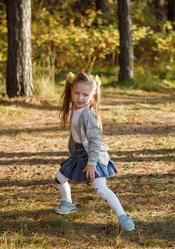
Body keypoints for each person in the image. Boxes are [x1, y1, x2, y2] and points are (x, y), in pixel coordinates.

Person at [53, 72, 135, 232]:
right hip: (79, 154)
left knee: (100, 188)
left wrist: (91, 164)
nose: (80, 98)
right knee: (60, 177)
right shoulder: (75, 107)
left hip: (93, 156)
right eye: (77, 93)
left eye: (85, 94)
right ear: (71, 91)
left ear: (93, 95)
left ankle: (123, 216)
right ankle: (68, 203)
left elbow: (96, 142)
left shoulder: (87, 115)